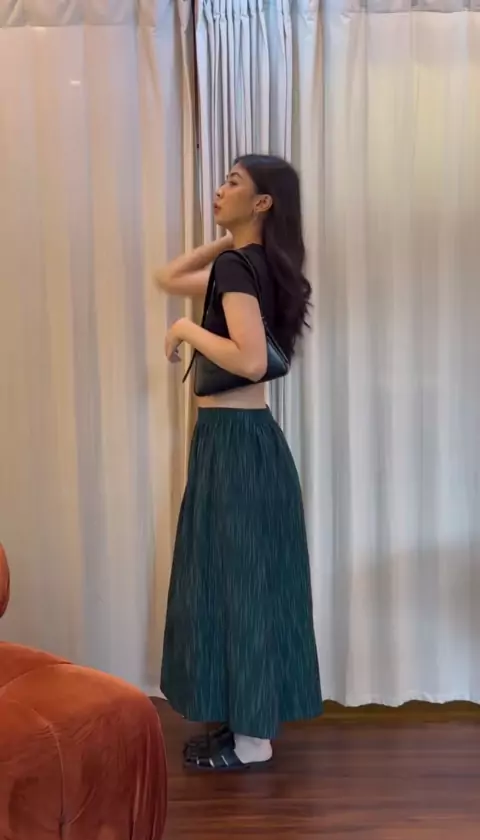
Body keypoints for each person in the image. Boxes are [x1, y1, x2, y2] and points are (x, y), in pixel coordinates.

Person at [156, 154, 322, 771]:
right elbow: (169, 275)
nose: (219, 189)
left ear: (263, 201)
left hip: (235, 443)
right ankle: (247, 720)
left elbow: (251, 361)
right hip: (243, 442)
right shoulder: (252, 265)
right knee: (238, 584)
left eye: (233, 183)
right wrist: (234, 236)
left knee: (243, 586)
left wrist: (185, 331)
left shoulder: (238, 267)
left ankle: (253, 741)